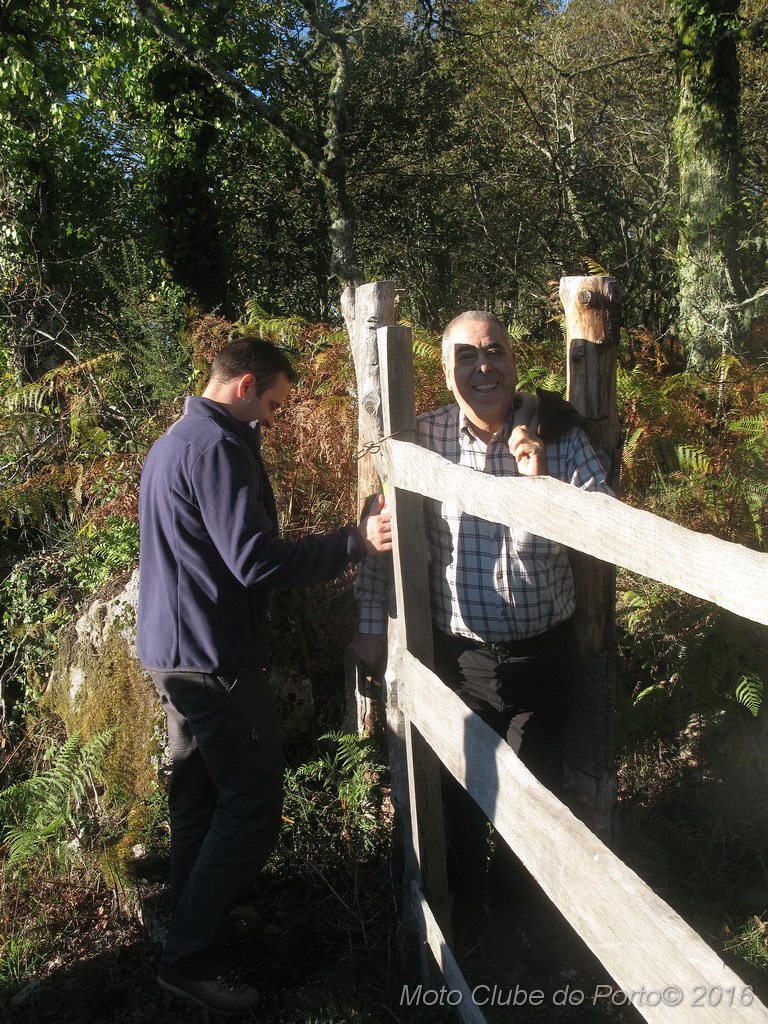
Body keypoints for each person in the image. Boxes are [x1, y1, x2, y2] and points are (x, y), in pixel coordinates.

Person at [137, 336, 392, 1015]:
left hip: (173, 652)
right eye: (273, 405)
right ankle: (190, 960)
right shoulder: (217, 449)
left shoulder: (174, 442)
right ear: (245, 385)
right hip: (214, 659)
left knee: (198, 799)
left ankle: (196, 920)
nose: (274, 421)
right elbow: (254, 561)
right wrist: (353, 543)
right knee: (251, 808)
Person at [354, 310, 611, 949]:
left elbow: (609, 525)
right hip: (459, 660)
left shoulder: (557, 438)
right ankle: (468, 920)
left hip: (543, 658)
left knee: (536, 800)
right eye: (466, 356)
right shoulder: (422, 438)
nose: (483, 366)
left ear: (514, 360)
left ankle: (521, 923)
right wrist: (369, 625)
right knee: (461, 796)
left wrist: (543, 484)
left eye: (494, 351)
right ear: (446, 371)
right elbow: (384, 544)